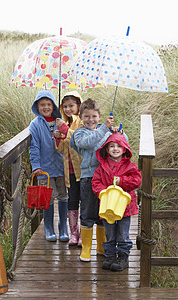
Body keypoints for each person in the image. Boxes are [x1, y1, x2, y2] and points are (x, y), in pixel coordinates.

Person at [70, 98, 122, 261]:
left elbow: (120, 143)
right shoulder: (80, 132)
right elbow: (86, 143)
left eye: (94, 116)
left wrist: (116, 132)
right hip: (89, 178)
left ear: (99, 116)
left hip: (107, 178)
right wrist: (103, 130)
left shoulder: (106, 131)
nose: (90, 120)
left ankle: (101, 247)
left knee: (103, 213)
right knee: (87, 212)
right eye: (86, 116)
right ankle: (86, 248)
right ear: (80, 117)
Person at [92, 133, 142, 271]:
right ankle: (110, 255)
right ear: (107, 150)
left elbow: (136, 181)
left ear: (124, 148)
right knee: (109, 233)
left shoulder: (130, 166)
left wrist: (122, 181)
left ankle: (123, 256)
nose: (115, 149)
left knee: (123, 233)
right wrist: (104, 192)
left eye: (119, 146)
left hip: (124, 208)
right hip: (107, 207)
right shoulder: (102, 167)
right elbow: (96, 182)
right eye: (112, 146)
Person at [29, 90, 69, 242]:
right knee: (48, 197)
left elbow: (71, 138)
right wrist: (36, 166)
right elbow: (34, 147)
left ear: (53, 106)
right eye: (42, 105)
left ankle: (63, 226)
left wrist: (62, 129)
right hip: (45, 169)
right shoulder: (35, 124)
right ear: (37, 107)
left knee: (64, 195)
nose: (45, 107)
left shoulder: (61, 122)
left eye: (48, 104)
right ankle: (48, 227)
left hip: (62, 166)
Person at [54, 91, 83, 246]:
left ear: (79, 106)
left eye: (71, 106)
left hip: (82, 170)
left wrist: (64, 129)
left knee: (83, 201)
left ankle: (84, 235)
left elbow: (78, 139)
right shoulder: (65, 122)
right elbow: (62, 149)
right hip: (69, 170)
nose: (67, 109)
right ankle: (74, 233)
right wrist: (58, 138)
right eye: (65, 106)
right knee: (72, 201)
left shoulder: (81, 121)